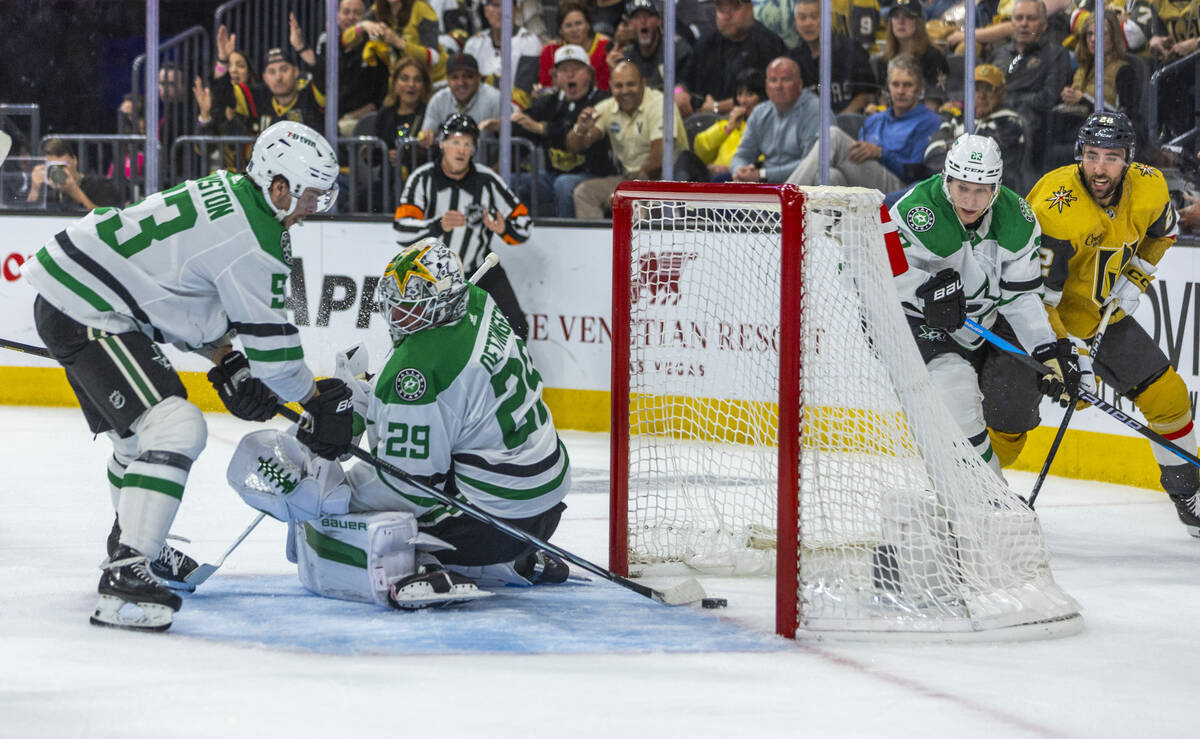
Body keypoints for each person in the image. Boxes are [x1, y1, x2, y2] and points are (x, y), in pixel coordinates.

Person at [20, 121, 353, 632]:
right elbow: (277, 356)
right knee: (175, 426)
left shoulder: (231, 194)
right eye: (312, 196)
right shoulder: (256, 238)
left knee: (136, 441)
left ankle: (131, 546)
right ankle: (126, 573)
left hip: (78, 296)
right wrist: (314, 400)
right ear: (280, 187)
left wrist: (225, 359)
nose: (315, 208)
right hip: (90, 309)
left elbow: (179, 291)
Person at [225, 238, 570, 609]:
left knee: (333, 512)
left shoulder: (415, 369)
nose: (397, 313)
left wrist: (330, 493)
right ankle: (518, 560)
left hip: (494, 525)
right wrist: (362, 401)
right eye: (396, 302)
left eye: (410, 305)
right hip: (544, 500)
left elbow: (408, 486)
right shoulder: (476, 299)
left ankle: (423, 566)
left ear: (439, 301)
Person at [1027, 111, 1199, 537]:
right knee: (1008, 415)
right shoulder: (1055, 204)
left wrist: (1137, 274)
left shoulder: (1150, 185)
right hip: (1042, 324)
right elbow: (1035, 296)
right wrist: (1067, 351)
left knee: (1170, 399)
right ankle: (976, 493)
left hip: (1107, 316)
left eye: (1111, 157)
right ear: (1079, 156)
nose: (1099, 168)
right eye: (1091, 156)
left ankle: (1189, 495)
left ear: (1129, 160)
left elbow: (1164, 232)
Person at [891, 133, 1082, 474]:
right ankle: (992, 499)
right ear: (946, 178)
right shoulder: (915, 211)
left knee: (1005, 402)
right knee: (956, 389)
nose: (970, 200)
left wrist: (1045, 350)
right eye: (962, 187)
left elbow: (1021, 296)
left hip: (980, 323)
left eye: (981, 190)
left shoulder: (1017, 219)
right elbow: (864, 268)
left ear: (996, 187)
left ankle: (960, 492)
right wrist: (923, 290)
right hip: (918, 319)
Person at [395, 113, 533, 338]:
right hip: (433, 276)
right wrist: (436, 225)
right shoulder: (422, 179)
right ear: (442, 144)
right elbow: (401, 229)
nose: (461, 150)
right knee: (423, 336)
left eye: (467, 144)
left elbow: (524, 226)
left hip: (481, 269)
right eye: (456, 142)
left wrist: (503, 228)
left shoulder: (487, 180)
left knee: (516, 328)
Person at [787, 54, 941, 192]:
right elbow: (855, 160)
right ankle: (825, 224)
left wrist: (880, 153)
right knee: (830, 176)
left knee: (833, 135)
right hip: (866, 185)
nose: (900, 91)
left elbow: (915, 172)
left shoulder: (929, 121)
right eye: (895, 84)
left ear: (919, 88)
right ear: (888, 86)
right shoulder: (874, 120)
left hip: (902, 188)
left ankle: (779, 206)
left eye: (907, 85)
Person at [566, 60, 688, 219]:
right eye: (619, 86)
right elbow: (574, 147)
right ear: (611, 86)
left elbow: (659, 159)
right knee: (584, 193)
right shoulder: (607, 107)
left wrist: (627, 192)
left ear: (643, 84)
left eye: (631, 84)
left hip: (665, 181)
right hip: (628, 179)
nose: (625, 91)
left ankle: (636, 243)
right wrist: (580, 129)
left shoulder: (660, 104)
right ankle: (598, 244)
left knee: (635, 202)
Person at [511, 44, 615, 216]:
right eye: (564, 70)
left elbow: (571, 133)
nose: (570, 74)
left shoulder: (601, 101)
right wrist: (501, 124)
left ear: (589, 74)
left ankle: (569, 235)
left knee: (564, 184)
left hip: (593, 175)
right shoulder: (548, 102)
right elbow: (523, 123)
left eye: (576, 69)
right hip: (553, 175)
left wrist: (542, 128)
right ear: (555, 77)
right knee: (515, 181)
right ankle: (520, 232)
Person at [1045, 10, 1140, 168]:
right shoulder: (1080, 68)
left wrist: (1084, 99)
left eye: (1103, 34)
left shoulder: (1124, 71)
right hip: (1071, 127)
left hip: (1100, 137)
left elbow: (1125, 118)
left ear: (1115, 37)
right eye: (1089, 34)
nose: (1093, 39)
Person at [987, 0, 1071, 172]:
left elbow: (1047, 98)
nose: (1024, 24)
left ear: (1044, 24)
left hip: (1031, 126)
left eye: (1031, 18)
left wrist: (1005, 98)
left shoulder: (1056, 54)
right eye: (1018, 18)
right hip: (991, 119)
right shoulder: (999, 54)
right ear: (1011, 23)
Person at [674, 0, 787, 119]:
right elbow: (683, 79)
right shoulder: (706, 44)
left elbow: (766, 95)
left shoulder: (769, 45)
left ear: (750, 8)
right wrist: (679, 93)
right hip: (703, 126)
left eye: (733, 7)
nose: (726, 16)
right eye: (721, 9)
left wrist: (716, 107)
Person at [923, 64, 1026, 191]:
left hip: (994, 194)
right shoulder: (957, 118)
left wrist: (951, 147)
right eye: (976, 89)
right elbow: (932, 155)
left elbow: (987, 162)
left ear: (1001, 93)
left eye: (989, 89)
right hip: (948, 189)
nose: (981, 96)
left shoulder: (1010, 121)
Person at [209, 27, 327, 133]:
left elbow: (324, 75)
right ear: (265, 77)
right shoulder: (259, 97)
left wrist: (302, 48)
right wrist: (223, 60)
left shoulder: (311, 94)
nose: (278, 77)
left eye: (284, 69)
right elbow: (223, 93)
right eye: (272, 72)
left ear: (296, 71)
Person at [728, 58, 818, 183]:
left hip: (803, 184)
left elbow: (812, 163)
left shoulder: (815, 110)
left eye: (785, 79)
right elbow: (742, 154)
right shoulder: (760, 112)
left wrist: (763, 174)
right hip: (766, 183)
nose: (778, 86)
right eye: (773, 80)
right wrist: (739, 170)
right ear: (766, 86)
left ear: (799, 84)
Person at [787, 0, 876, 115]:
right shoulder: (793, 60)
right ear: (796, 22)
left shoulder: (851, 50)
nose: (808, 23)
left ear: (827, 18)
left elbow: (867, 95)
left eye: (814, 17)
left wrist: (840, 121)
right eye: (802, 18)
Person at [690, 67, 766, 181]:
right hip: (712, 179)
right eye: (740, 94)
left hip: (742, 180)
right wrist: (727, 129)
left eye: (749, 94)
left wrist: (730, 169)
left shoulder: (767, 127)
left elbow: (762, 160)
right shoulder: (728, 123)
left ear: (762, 97)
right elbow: (700, 151)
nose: (743, 100)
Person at [418, 53, 508, 146]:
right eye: (455, 77)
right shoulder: (438, 100)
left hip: (487, 160)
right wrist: (426, 135)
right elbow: (426, 132)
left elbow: (513, 145)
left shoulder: (496, 99)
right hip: (448, 160)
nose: (461, 83)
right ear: (447, 80)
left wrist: (501, 129)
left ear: (479, 77)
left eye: (468, 76)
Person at [464, 0, 543, 105]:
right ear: (485, 10)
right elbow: (466, 85)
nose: (501, 11)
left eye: (507, 6)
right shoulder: (474, 43)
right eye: (495, 5)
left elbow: (523, 90)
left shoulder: (529, 41)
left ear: (516, 11)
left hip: (516, 112)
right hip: (478, 109)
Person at [606, 0, 694, 91]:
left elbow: (684, 87)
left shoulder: (676, 50)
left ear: (659, 21)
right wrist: (615, 72)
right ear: (630, 24)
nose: (643, 21)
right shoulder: (627, 57)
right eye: (636, 17)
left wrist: (677, 92)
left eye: (648, 16)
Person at [374, 57, 433, 179]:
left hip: (420, 181)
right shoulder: (385, 114)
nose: (411, 85)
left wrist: (404, 157)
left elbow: (433, 154)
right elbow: (374, 156)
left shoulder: (430, 113)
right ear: (395, 83)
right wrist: (379, 154)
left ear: (424, 85)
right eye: (404, 79)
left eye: (417, 80)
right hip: (387, 183)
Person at [26, 138, 121, 212]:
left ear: (75, 160)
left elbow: (105, 220)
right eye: (53, 167)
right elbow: (26, 220)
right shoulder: (45, 189)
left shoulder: (100, 185)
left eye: (63, 166)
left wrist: (74, 191)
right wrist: (35, 189)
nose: (59, 171)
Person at [539, 1, 614, 92]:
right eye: (568, 25)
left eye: (578, 23)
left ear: (588, 25)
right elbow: (547, 88)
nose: (574, 30)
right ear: (560, 30)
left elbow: (606, 86)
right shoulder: (550, 51)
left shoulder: (605, 46)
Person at [882, 0, 949, 98]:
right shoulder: (885, 59)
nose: (901, 22)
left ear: (919, 22)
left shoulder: (934, 57)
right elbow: (882, 98)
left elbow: (935, 100)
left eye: (908, 16)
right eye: (896, 16)